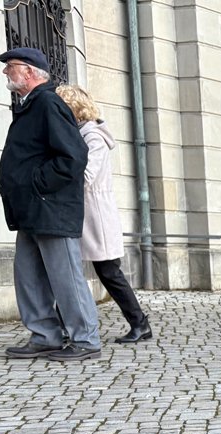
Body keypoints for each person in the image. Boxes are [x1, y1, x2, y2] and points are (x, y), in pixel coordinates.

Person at [0, 47, 102, 361]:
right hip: (31, 210)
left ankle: (85, 339)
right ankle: (45, 336)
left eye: (11, 66)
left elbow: (74, 156)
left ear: (29, 71)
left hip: (49, 208)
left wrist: (37, 184)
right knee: (28, 276)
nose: (6, 71)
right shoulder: (32, 106)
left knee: (65, 276)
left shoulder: (48, 103)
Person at [56, 85, 152, 343]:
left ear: (73, 109)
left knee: (109, 272)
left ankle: (140, 323)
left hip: (95, 215)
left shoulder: (93, 137)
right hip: (81, 213)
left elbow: (88, 176)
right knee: (69, 269)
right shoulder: (79, 135)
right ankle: (63, 326)